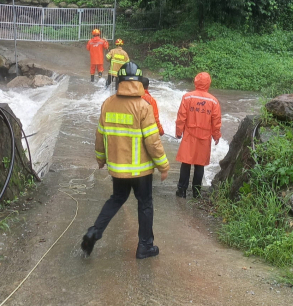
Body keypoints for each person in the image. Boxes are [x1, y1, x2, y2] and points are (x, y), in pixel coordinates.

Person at [82, 62, 170, 259]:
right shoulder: (143, 106)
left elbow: (100, 136)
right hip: (141, 172)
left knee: (116, 199)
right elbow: (153, 142)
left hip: (118, 169)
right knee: (145, 204)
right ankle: (145, 246)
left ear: (119, 81)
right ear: (138, 82)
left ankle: (94, 232)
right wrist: (163, 165)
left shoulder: (107, 104)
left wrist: (100, 158)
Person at [175, 72, 222, 198]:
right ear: (208, 83)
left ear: (196, 82)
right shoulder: (213, 101)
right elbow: (216, 121)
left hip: (189, 135)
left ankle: (182, 190)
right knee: (199, 165)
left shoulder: (187, 97)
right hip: (204, 137)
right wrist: (216, 135)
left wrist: (179, 132)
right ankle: (196, 192)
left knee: (186, 163)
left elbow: (181, 117)